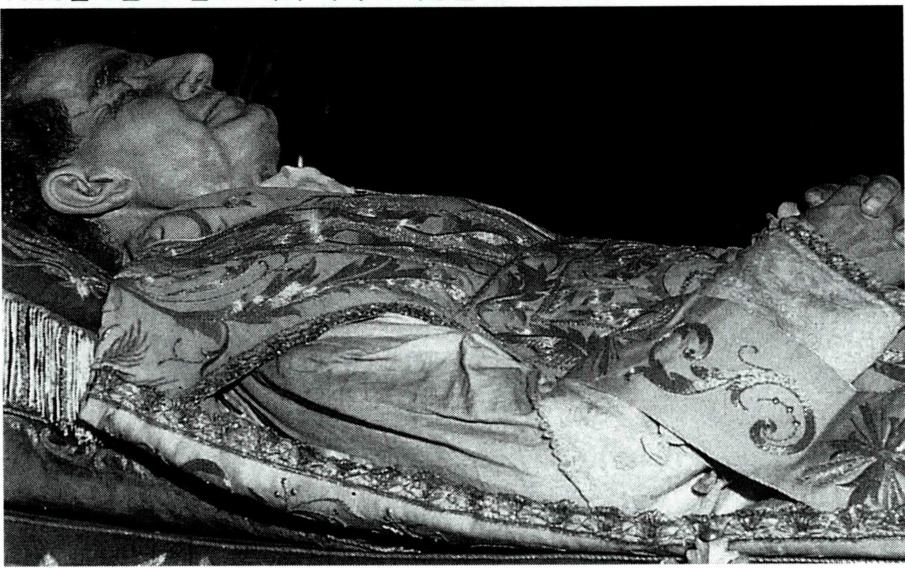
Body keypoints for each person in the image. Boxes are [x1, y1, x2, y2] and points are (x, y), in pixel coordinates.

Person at [4, 44, 904, 520]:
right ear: (88, 188)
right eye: (124, 85)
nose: (193, 62)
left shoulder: (318, 225)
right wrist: (818, 282)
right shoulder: (217, 297)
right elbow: (578, 466)